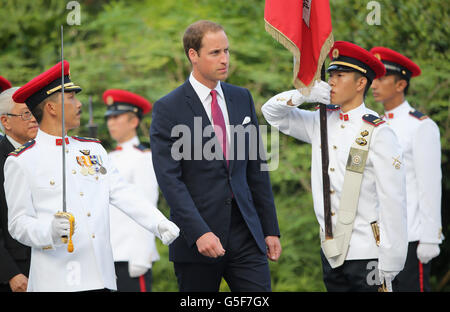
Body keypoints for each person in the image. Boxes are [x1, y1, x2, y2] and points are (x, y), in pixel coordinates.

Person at [5, 60, 180, 292]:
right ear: (51, 108)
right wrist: (48, 231)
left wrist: (158, 222)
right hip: (56, 280)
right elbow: (18, 223)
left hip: (100, 275)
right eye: (70, 98)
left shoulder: (93, 150)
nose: (78, 104)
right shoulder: (22, 160)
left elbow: (122, 192)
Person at [261, 41, 408, 292]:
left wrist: (392, 258)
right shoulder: (320, 121)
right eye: (330, 75)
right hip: (331, 252)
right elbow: (271, 113)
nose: (332, 82)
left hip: (368, 254)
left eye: (340, 76)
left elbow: (393, 200)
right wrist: (302, 94)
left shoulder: (378, 131)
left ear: (361, 83)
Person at [150, 20, 281, 292]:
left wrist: (270, 228)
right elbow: (170, 181)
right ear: (193, 55)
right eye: (215, 53)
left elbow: (256, 167)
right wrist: (199, 231)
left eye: (227, 51)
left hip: (246, 232)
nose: (225, 59)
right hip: (197, 238)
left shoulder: (241, 98)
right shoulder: (168, 108)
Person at [370, 47, 444, 292]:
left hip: (412, 236)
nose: (374, 85)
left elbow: (430, 185)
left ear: (400, 84)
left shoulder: (420, 127)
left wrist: (430, 236)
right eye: (374, 78)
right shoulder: (375, 124)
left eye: (381, 79)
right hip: (379, 238)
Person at [103, 89, 160, 292]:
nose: (111, 123)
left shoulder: (143, 157)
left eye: (116, 117)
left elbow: (146, 205)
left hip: (132, 256)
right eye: (109, 118)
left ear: (134, 121)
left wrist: (141, 256)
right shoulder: (107, 157)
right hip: (109, 255)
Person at [0, 85, 38, 292]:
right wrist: (10, 273)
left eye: (35, 112)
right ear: (5, 121)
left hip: (48, 262)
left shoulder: (44, 153)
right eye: (26, 114)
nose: (34, 119)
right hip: (16, 269)